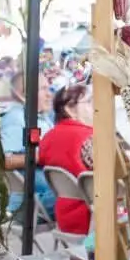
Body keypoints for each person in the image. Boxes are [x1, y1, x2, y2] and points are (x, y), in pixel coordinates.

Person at [37, 84, 94, 236]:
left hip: (64, 220)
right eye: (90, 102)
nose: (96, 107)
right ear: (70, 109)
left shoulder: (48, 137)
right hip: (95, 222)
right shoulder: (91, 138)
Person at [0, 69, 56, 220]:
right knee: (88, 197)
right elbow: (3, 161)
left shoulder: (41, 118)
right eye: (44, 89)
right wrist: (41, 156)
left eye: (49, 89)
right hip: (33, 204)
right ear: (24, 94)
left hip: (43, 198)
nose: (49, 94)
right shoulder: (17, 118)